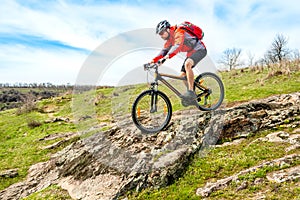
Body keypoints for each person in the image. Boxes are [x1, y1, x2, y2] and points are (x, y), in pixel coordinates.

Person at [151, 20, 207, 104]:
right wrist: (152, 62)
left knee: (188, 64)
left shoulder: (179, 31)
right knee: (182, 75)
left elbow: (177, 46)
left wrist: (166, 58)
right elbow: (163, 51)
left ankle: (191, 92)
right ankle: (193, 97)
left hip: (200, 49)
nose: (161, 36)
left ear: (168, 29)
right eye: (160, 34)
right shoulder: (170, 40)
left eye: (162, 33)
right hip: (191, 53)